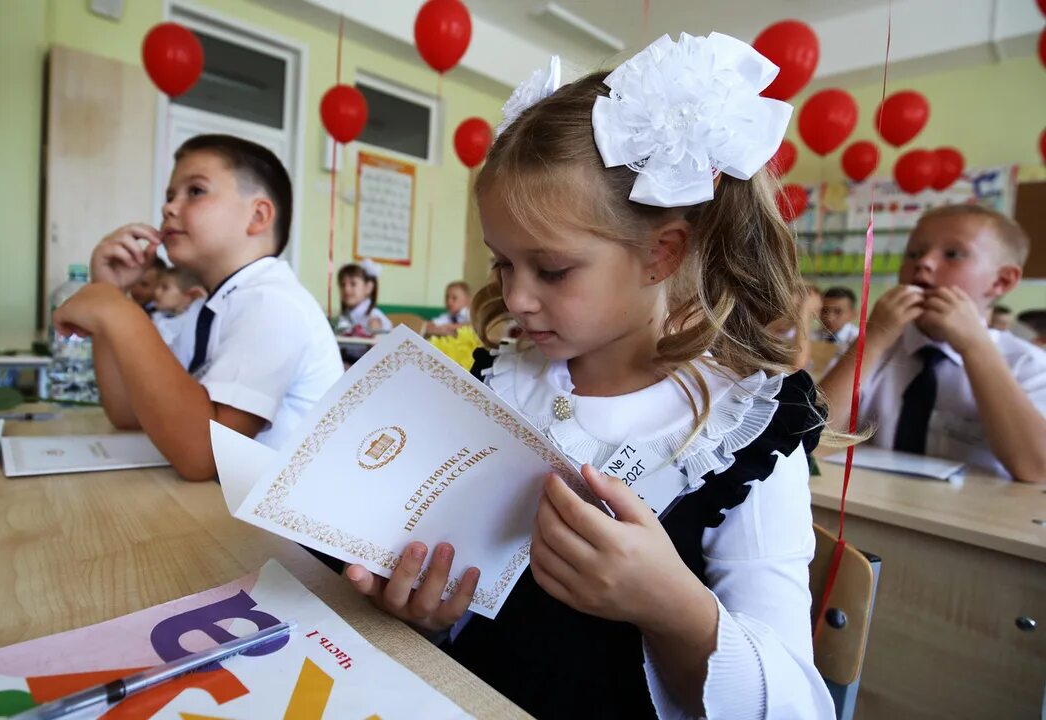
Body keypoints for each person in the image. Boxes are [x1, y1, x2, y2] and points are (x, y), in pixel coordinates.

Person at [339, 34, 835, 718]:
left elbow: (793, 708)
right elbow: (459, 614)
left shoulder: (741, 434)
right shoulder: (500, 380)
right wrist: (426, 612)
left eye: (552, 269)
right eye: (502, 264)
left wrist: (672, 607)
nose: (515, 298)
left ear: (661, 254)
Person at [52, 134, 344, 480]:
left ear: (258, 215)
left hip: (287, 530)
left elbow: (207, 456)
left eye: (195, 191)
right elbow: (129, 412)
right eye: (169, 196)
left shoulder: (274, 304)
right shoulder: (208, 307)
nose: (169, 208)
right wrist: (111, 289)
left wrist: (118, 312)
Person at [820, 205, 1046, 482]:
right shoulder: (876, 346)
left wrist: (975, 347)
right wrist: (872, 340)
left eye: (952, 254)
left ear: (1001, 281)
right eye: (913, 253)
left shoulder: (1028, 364)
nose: (924, 262)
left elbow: (1037, 469)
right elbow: (814, 436)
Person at [335, 259, 393, 365]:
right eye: (342, 285)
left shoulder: (374, 318)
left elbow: (380, 355)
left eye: (353, 284)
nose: (346, 289)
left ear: (368, 287)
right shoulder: (344, 317)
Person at [151, 265, 206, 369]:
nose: (156, 292)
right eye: (157, 286)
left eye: (165, 288)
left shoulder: (194, 325)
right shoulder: (157, 318)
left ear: (190, 294)